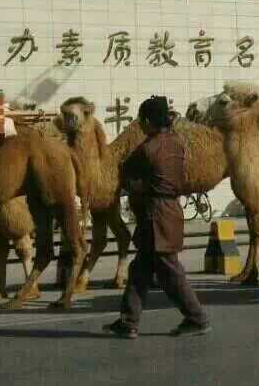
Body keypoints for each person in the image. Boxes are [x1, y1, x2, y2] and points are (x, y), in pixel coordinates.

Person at [103, 96, 210, 339]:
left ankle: (197, 318)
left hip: (155, 216)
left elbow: (126, 173)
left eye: (141, 120)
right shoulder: (178, 144)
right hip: (170, 211)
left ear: (149, 122)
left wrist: (133, 186)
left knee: (170, 271)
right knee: (140, 269)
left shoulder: (147, 149)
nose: (140, 125)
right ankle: (128, 321)